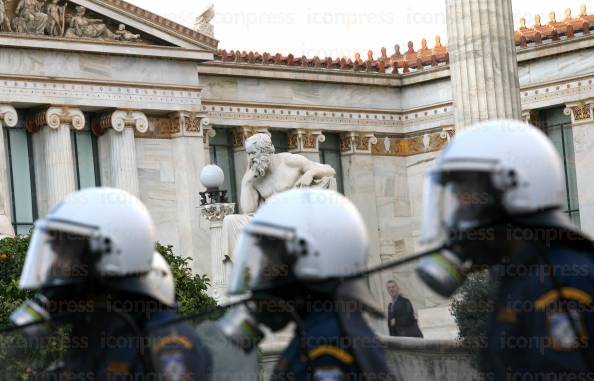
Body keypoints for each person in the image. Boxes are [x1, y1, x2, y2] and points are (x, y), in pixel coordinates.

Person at [415, 120, 594, 379]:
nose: (460, 210)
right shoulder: (524, 273)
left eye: (468, 193)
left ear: (513, 190)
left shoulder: (561, 282)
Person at [7, 187, 212, 380]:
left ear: (111, 254)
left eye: (66, 251)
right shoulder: (92, 330)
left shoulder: (169, 344)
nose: (56, 264)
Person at [222, 188, 395, 381]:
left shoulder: (327, 348)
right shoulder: (322, 331)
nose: (264, 277)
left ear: (310, 260)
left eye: (272, 263)